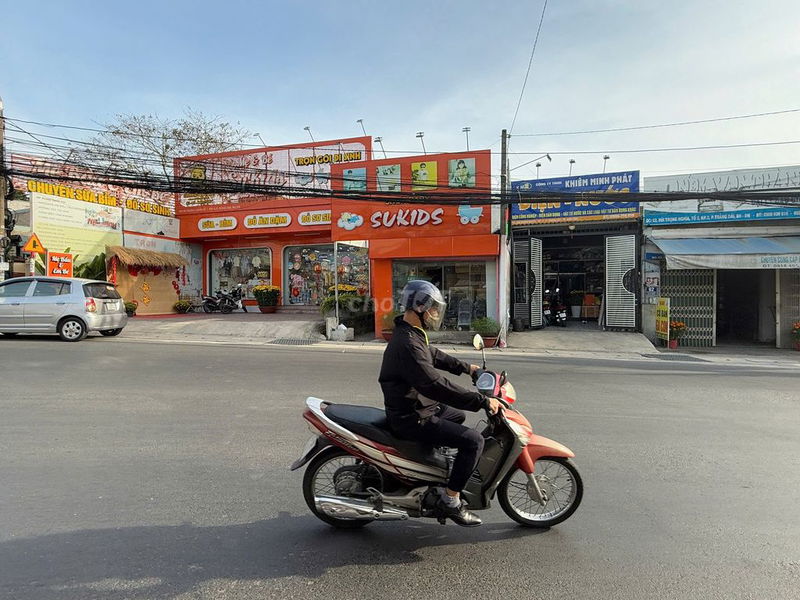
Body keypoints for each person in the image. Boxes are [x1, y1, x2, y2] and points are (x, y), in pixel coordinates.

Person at [379, 280, 500, 527]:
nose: (436, 314)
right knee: (474, 441)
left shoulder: (411, 333)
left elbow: (434, 355)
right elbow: (435, 385)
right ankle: (451, 500)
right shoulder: (408, 344)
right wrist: (481, 400)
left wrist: (468, 368)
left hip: (418, 405)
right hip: (412, 417)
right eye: (433, 309)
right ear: (420, 308)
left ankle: (430, 466)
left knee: (458, 416)